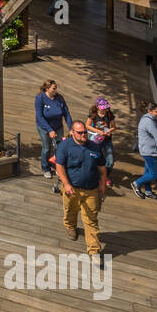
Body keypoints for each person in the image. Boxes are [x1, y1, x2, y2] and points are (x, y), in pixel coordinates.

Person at [55, 121, 107, 260]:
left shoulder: (94, 147)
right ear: (72, 132)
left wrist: (103, 185)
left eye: (85, 132)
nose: (84, 134)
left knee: (91, 219)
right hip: (72, 188)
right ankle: (70, 226)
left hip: (91, 189)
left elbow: (102, 167)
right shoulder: (64, 147)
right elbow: (59, 166)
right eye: (80, 132)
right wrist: (66, 184)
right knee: (70, 210)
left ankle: (94, 251)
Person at [34, 80, 71, 180]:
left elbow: (66, 113)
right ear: (47, 89)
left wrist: (71, 128)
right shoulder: (40, 98)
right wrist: (49, 130)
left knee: (59, 148)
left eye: (56, 88)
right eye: (54, 88)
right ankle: (46, 168)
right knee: (46, 148)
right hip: (44, 127)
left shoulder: (59, 98)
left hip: (58, 127)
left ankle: (57, 166)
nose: (56, 90)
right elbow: (39, 117)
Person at [131, 102, 157, 199]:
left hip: (148, 150)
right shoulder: (149, 122)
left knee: (148, 173)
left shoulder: (151, 119)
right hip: (149, 151)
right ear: (149, 111)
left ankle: (148, 191)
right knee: (153, 175)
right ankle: (136, 183)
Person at [87, 97, 117, 187]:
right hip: (96, 140)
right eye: (103, 108)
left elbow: (114, 127)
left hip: (107, 140)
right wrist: (98, 131)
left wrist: (109, 131)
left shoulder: (109, 115)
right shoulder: (93, 115)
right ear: (97, 107)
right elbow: (87, 125)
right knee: (95, 157)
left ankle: (105, 176)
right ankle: (95, 175)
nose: (104, 110)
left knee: (110, 161)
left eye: (106, 108)